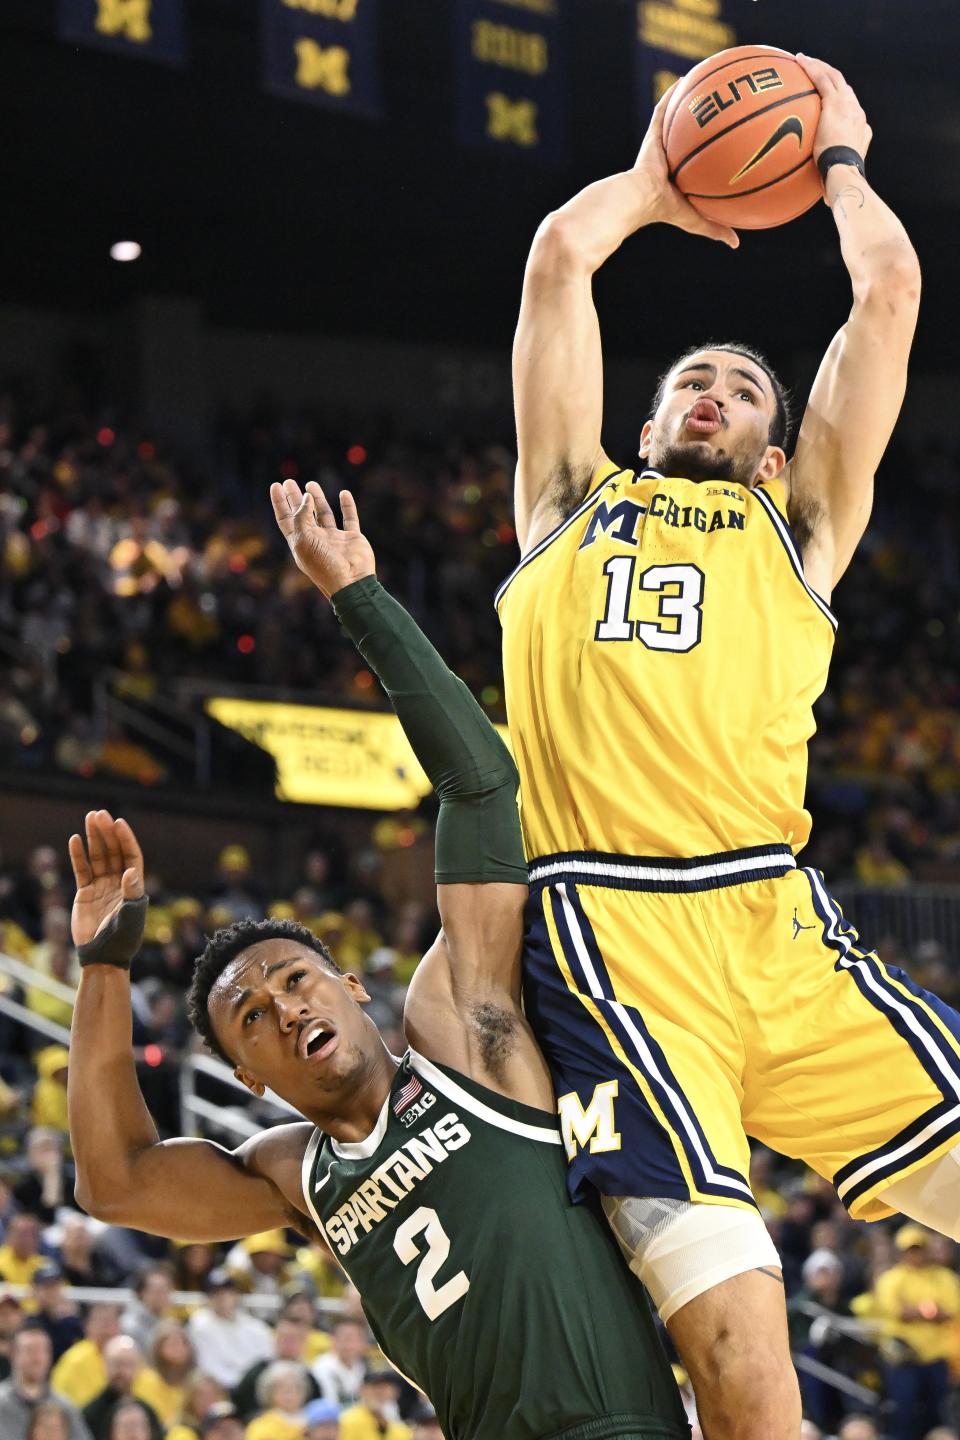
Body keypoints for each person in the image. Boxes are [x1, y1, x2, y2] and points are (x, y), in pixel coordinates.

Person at [505, 45, 946, 1440]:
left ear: (773, 447)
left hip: (775, 920)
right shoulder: (566, 500)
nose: (711, 392)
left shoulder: (802, 525)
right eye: (691, 380)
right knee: (747, 1364)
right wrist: (650, 182)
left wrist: (839, 160)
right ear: (642, 425)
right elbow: (561, 265)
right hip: (615, 935)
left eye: (743, 390)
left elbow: (887, 295)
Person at [66, 479, 689, 1440]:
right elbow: (118, 1182)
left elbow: (481, 786)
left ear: (353, 989)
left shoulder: (462, 1034)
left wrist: (359, 597)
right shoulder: (293, 1174)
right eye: (254, 1018)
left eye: (295, 980)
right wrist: (105, 969)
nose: (283, 1009)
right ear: (247, 1076)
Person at [870, 1224, 960, 1440]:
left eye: (919, 1248)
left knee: (937, 1414)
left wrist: (917, 1311)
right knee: (904, 1413)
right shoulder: (891, 1278)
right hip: (904, 1358)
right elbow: (898, 1312)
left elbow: (952, 1311)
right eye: (910, 1249)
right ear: (901, 1252)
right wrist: (929, 1311)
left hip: (937, 1357)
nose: (915, 1254)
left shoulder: (944, 1277)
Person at [0, 1324, 91, 1440]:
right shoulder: (2, 1404)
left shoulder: (64, 1406)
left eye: (43, 1351)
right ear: (13, 1354)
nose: (37, 1358)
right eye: (30, 1350)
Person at [186, 1271, 273, 1390]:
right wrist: (239, 1384)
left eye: (228, 1293)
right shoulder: (199, 1325)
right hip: (219, 1388)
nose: (223, 1298)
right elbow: (207, 1366)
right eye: (217, 1294)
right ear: (209, 1297)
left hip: (253, 1386)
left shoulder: (255, 1326)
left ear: (237, 1295)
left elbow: (266, 1358)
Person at [81, 1335, 162, 1440]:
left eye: (129, 1365)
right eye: (117, 1364)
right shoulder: (90, 1414)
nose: (123, 1372)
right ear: (105, 1367)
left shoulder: (148, 1410)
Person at [309, 1318, 368, 1410]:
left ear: (363, 1343)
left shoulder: (364, 1368)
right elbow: (329, 1404)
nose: (346, 1344)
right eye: (342, 1337)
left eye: (351, 1339)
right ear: (332, 1339)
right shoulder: (322, 1366)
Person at [244, 1360, 310, 1440]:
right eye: (282, 1388)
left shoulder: (314, 1420)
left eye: (295, 1387)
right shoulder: (260, 1426)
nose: (289, 1393)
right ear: (269, 1392)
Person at [338, 1371, 409, 1440]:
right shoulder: (350, 1420)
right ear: (362, 1390)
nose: (379, 1392)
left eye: (384, 1387)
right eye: (375, 1387)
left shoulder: (399, 1426)